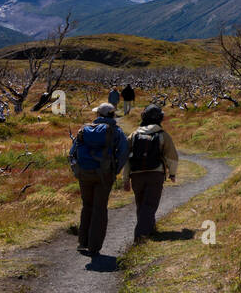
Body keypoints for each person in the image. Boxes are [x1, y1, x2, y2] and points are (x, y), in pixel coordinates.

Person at [69, 102, 129, 256]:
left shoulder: (85, 129)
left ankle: (83, 242)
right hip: (104, 175)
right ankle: (94, 246)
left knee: (87, 206)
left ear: (98, 115)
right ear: (112, 115)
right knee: (100, 208)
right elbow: (123, 153)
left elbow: (72, 152)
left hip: (84, 174)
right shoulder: (116, 131)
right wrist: (114, 171)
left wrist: (77, 170)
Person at [122, 104, 178, 241]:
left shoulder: (134, 135)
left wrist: (125, 179)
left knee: (141, 204)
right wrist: (172, 173)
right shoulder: (162, 135)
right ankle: (141, 235)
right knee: (150, 205)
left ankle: (150, 230)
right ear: (160, 118)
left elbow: (126, 159)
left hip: (136, 175)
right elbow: (172, 156)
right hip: (155, 174)